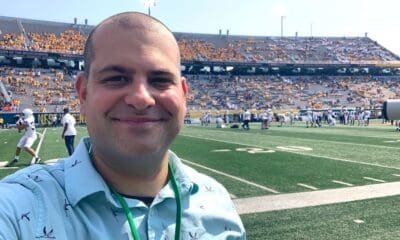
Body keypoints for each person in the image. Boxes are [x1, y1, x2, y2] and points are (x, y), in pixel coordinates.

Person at [0, 12, 246, 239]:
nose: (141, 98)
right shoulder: (19, 207)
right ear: (83, 94)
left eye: (160, 80)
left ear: (183, 94)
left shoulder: (218, 203)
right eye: (117, 78)